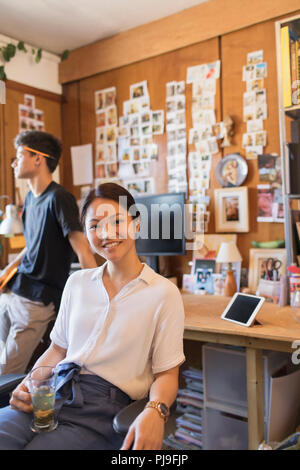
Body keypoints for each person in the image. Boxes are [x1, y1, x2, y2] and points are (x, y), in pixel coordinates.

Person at [0, 182, 185, 450]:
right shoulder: (77, 283)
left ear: (136, 224)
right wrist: (30, 383)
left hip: (104, 409)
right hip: (54, 391)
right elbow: (57, 349)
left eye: (117, 221)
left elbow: (167, 374)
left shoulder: (163, 293)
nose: (105, 233)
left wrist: (155, 411)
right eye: (95, 225)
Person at [0, 130, 97, 375]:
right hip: (14, 290)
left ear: (38, 159)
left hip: (38, 299)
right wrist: (7, 270)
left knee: (5, 372)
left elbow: (82, 247)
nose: (14, 163)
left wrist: (99, 295)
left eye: (19, 155)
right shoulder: (31, 199)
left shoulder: (59, 198)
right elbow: (31, 246)